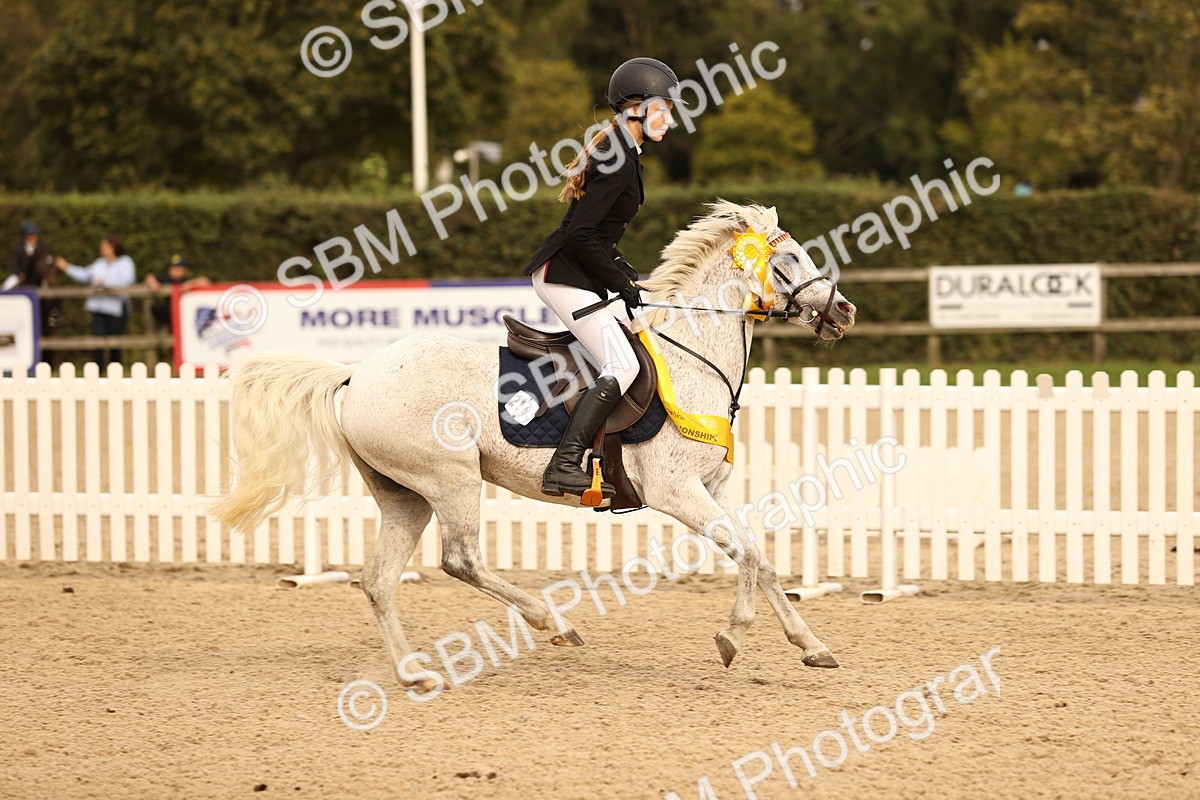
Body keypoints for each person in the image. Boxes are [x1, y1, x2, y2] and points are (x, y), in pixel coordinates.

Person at [521, 57, 685, 500]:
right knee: (624, 365)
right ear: (636, 107)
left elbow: (597, 235)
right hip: (563, 275)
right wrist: (620, 284)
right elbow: (581, 233)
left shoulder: (622, 153)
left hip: (576, 273)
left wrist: (626, 276)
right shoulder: (617, 158)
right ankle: (565, 464)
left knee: (624, 348)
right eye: (663, 109)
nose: (669, 119)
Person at [55, 235, 137, 367]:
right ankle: (98, 371)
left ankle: (115, 372)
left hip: (116, 310)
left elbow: (127, 280)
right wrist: (67, 267)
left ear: (112, 247)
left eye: (104, 246)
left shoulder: (126, 262)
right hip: (98, 308)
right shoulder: (99, 263)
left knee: (115, 343)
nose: (101, 248)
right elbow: (85, 275)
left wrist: (105, 282)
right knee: (97, 340)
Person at [8, 221, 64, 336]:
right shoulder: (19, 250)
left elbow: (49, 263)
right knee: (7, 286)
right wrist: (19, 274)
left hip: (41, 277)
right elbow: (15, 266)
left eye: (34, 235)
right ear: (24, 236)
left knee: (54, 289)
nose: (32, 237)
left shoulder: (43, 248)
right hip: (23, 278)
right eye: (30, 235)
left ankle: (55, 314)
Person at [146, 254, 209, 332]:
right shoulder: (166, 279)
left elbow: (205, 281)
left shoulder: (186, 279)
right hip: (170, 313)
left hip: (184, 313)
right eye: (172, 267)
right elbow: (150, 277)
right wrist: (153, 283)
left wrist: (190, 284)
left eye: (177, 268)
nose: (174, 270)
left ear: (184, 270)